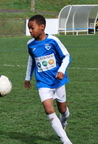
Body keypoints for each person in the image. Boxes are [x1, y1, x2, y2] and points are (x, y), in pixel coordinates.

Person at [24, 15, 72, 144]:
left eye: (32, 28)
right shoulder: (30, 44)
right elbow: (31, 60)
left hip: (57, 81)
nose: (30, 31)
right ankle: (66, 141)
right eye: (29, 28)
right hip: (43, 82)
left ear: (42, 27)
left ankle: (64, 121)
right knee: (49, 110)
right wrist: (27, 77)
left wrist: (61, 70)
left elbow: (66, 56)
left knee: (63, 110)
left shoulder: (53, 41)